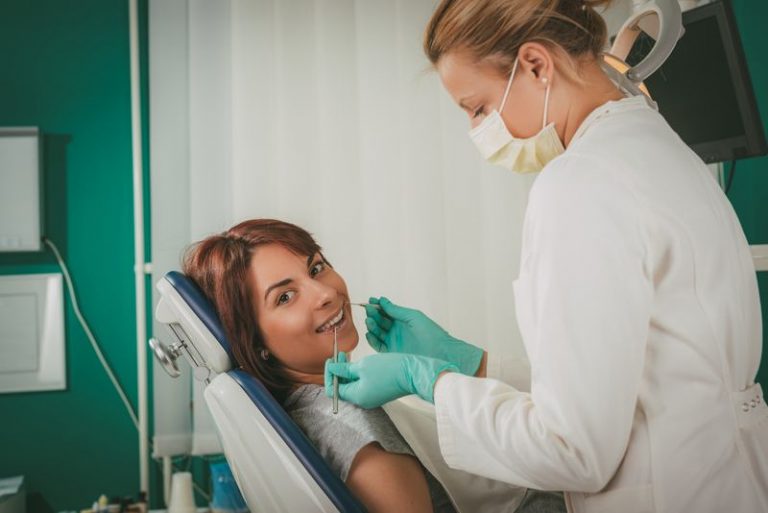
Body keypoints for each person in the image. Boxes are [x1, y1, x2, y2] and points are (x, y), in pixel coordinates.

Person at [325, 1, 768, 512]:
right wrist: (471, 363)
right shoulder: (659, 149)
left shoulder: (580, 183)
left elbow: (573, 450)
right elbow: (622, 386)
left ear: (536, 65)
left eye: (478, 108)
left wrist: (429, 384)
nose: (478, 132)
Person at [183, 219, 566, 513]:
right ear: (255, 343)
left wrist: (466, 361)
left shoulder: (324, 404)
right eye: (285, 297)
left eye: (316, 268)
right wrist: (429, 377)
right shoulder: (347, 420)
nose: (326, 293)